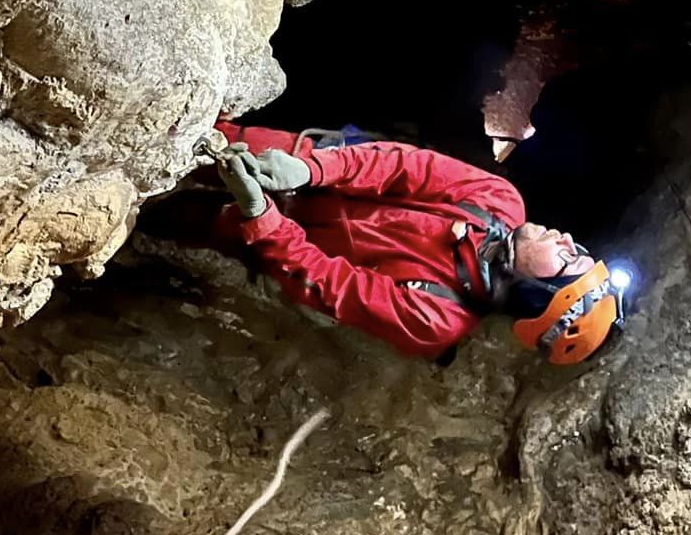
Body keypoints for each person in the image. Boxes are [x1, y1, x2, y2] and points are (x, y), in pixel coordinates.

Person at [204, 122, 628, 366]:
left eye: (569, 257)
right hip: (305, 166)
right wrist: (307, 169)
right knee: (204, 132)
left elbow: (330, 285)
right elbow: (401, 166)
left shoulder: (438, 319)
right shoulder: (500, 202)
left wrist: (262, 217)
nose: (568, 238)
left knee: (171, 214)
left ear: (540, 296)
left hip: (272, 230)